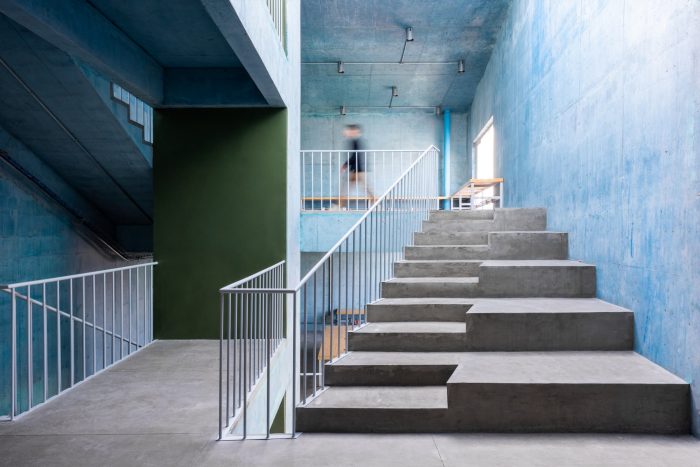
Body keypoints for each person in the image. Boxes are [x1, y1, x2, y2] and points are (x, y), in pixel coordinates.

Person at [339, 124, 373, 209]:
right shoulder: (356, 141)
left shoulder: (356, 141)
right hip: (357, 169)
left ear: (354, 131)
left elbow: (355, 156)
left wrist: (345, 165)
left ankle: (340, 206)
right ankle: (340, 205)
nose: (347, 133)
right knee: (347, 188)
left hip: (357, 169)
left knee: (346, 188)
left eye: (349, 131)